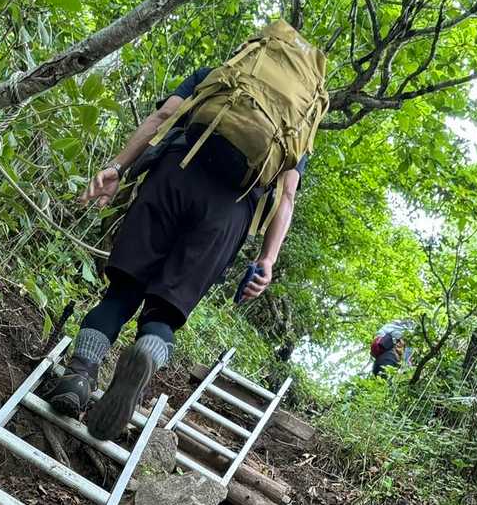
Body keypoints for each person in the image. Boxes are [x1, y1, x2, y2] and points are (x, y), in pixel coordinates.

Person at [45, 64, 308, 441]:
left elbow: (164, 116)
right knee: (163, 315)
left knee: (121, 293)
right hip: (229, 211)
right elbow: (287, 195)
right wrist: (267, 259)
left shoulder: (220, 75)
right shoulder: (298, 123)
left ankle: (78, 376)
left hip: (175, 173)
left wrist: (118, 167)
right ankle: (146, 355)